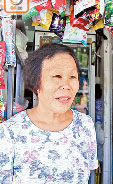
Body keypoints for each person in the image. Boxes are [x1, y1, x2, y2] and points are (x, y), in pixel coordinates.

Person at [0, 43, 98, 183]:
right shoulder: (10, 132)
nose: (66, 85)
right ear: (36, 83)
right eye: (57, 76)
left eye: (72, 77)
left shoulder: (85, 125)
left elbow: (87, 172)